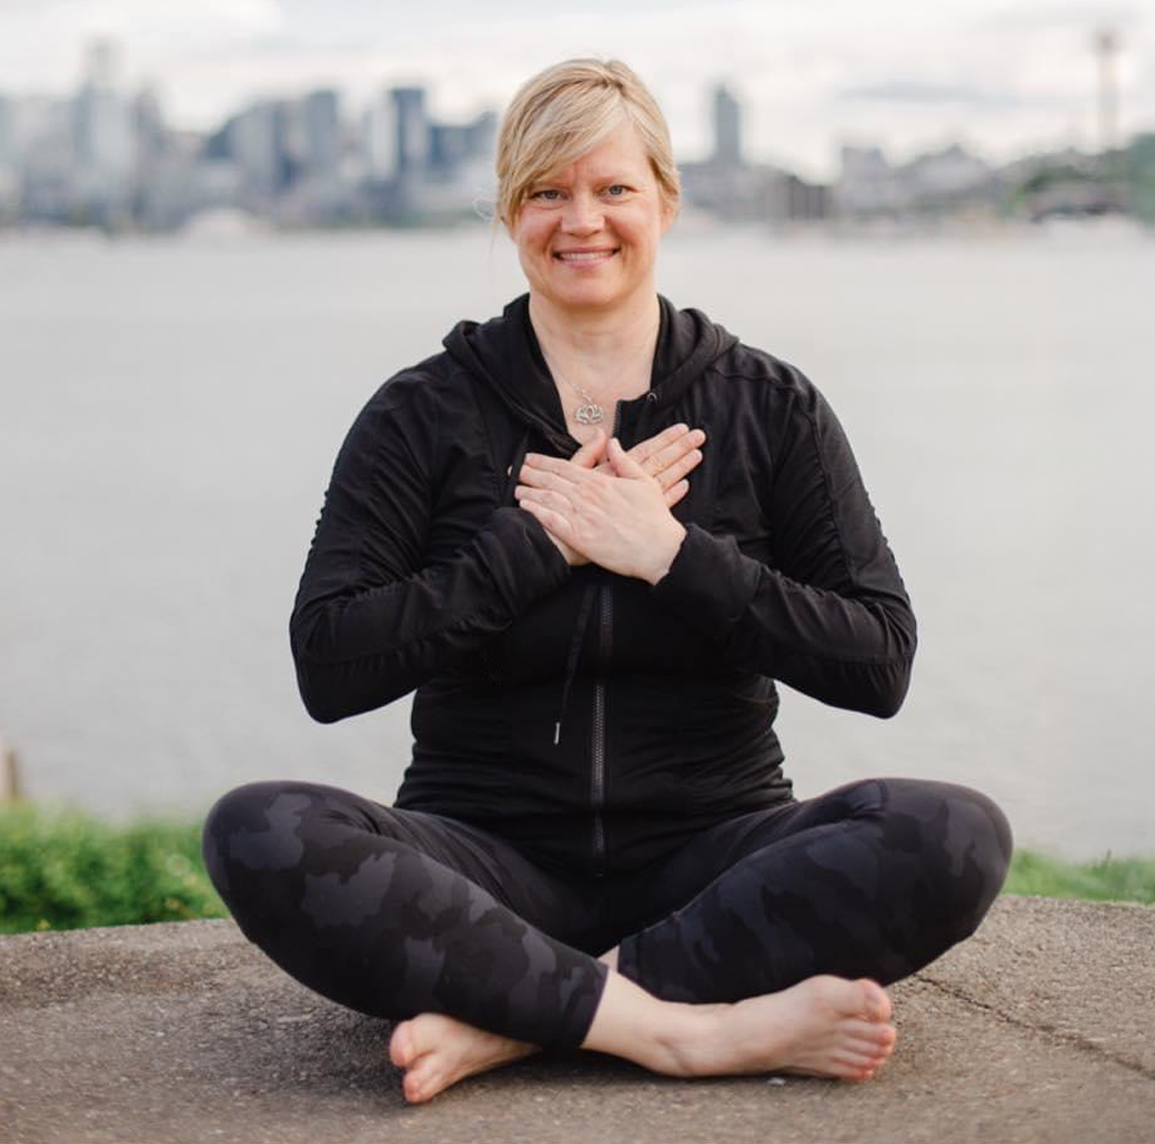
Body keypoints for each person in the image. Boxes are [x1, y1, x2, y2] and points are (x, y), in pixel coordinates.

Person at [202, 58, 1012, 1104]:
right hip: (484, 864)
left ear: (665, 201)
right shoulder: (424, 412)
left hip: (715, 859)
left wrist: (670, 556)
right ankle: (685, 1032)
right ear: (510, 212)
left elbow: (879, 661)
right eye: (548, 191)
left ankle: (514, 1023)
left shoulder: (768, 405)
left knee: (953, 835)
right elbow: (329, 663)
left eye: (614, 188)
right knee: (259, 829)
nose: (582, 220)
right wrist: (537, 549)